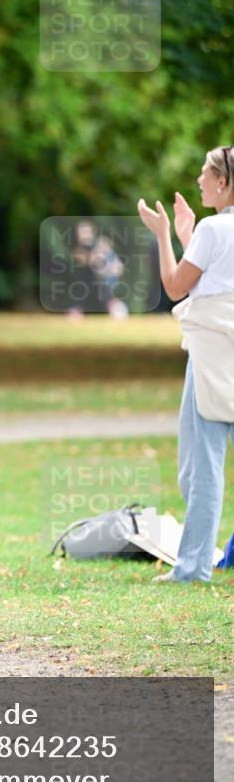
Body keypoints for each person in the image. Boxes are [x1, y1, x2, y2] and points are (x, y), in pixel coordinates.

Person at [137, 145, 234, 582]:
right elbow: (214, 277)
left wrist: (161, 234)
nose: (198, 181)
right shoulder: (210, 230)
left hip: (213, 354)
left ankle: (193, 568)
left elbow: (178, 287)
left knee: (202, 465)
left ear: (223, 182)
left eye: (205, 173)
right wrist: (186, 233)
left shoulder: (215, 228)